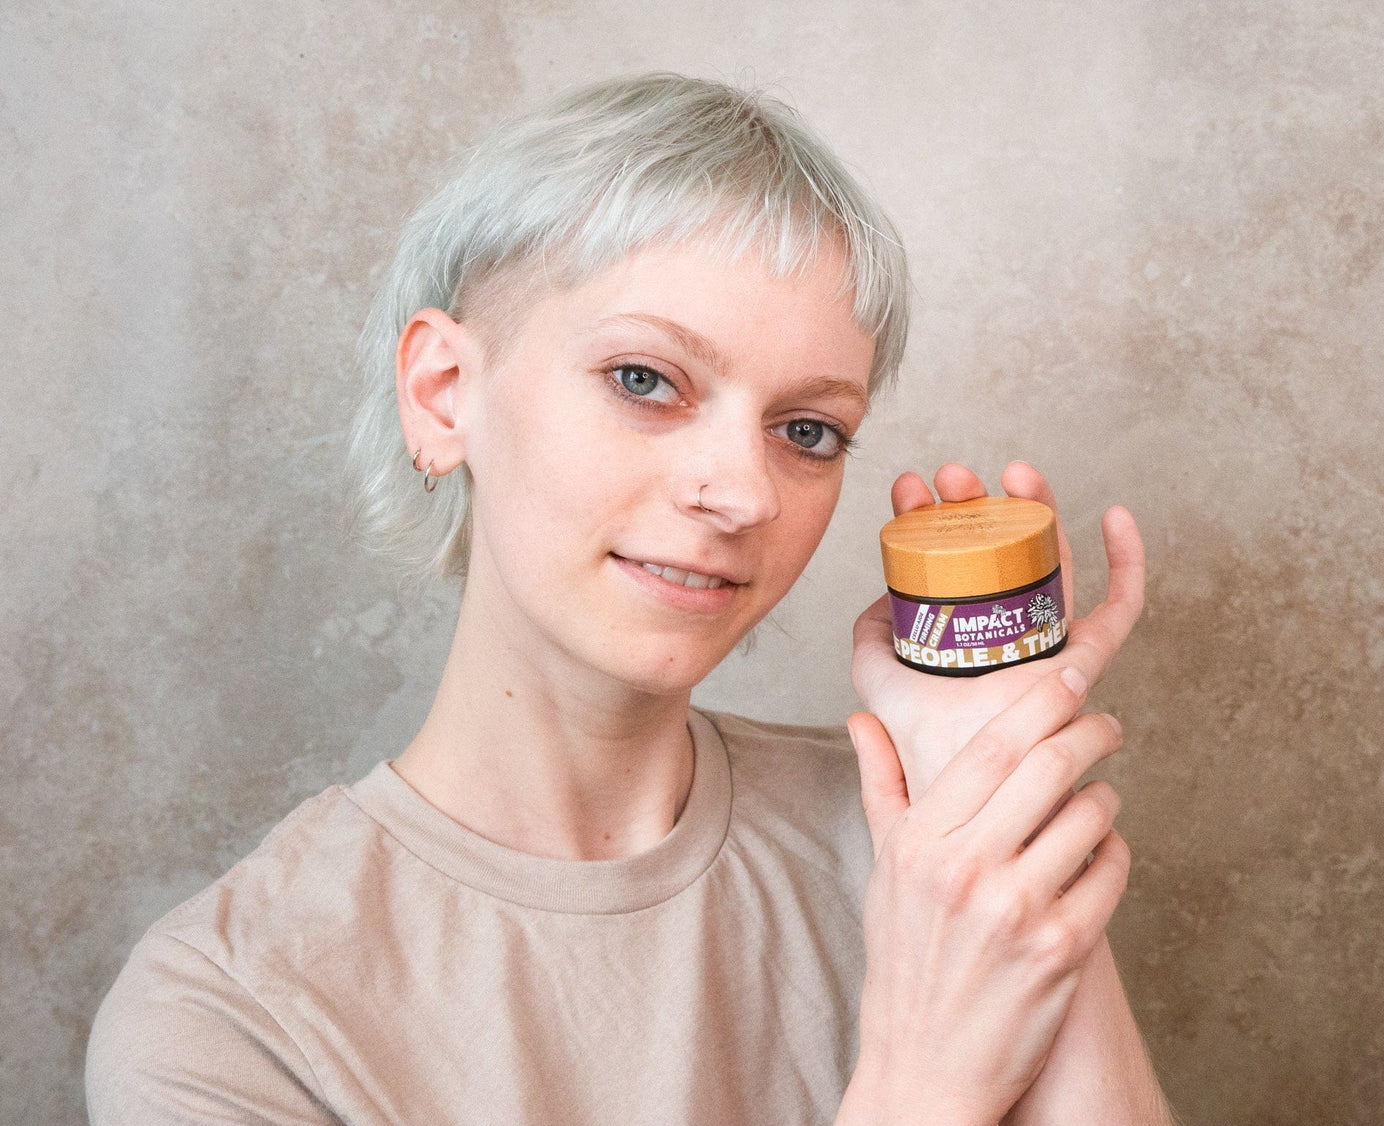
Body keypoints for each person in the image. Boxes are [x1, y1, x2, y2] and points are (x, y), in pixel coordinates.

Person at [85, 72, 1174, 1124]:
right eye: (645, 380)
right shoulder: (232, 1020)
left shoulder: (919, 838)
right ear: (444, 394)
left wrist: (992, 767)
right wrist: (923, 1086)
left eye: (807, 431)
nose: (743, 493)